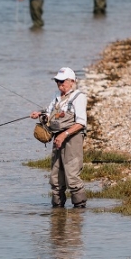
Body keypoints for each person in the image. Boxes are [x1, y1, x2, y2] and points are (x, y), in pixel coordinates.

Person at [29, 67, 87, 208]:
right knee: (55, 177)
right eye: (57, 81)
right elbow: (49, 113)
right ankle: (57, 212)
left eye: (62, 81)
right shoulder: (56, 96)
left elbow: (81, 123)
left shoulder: (79, 97)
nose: (59, 84)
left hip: (72, 138)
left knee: (72, 175)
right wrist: (40, 115)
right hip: (57, 138)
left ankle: (79, 211)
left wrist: (64, 134)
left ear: (72, 81)